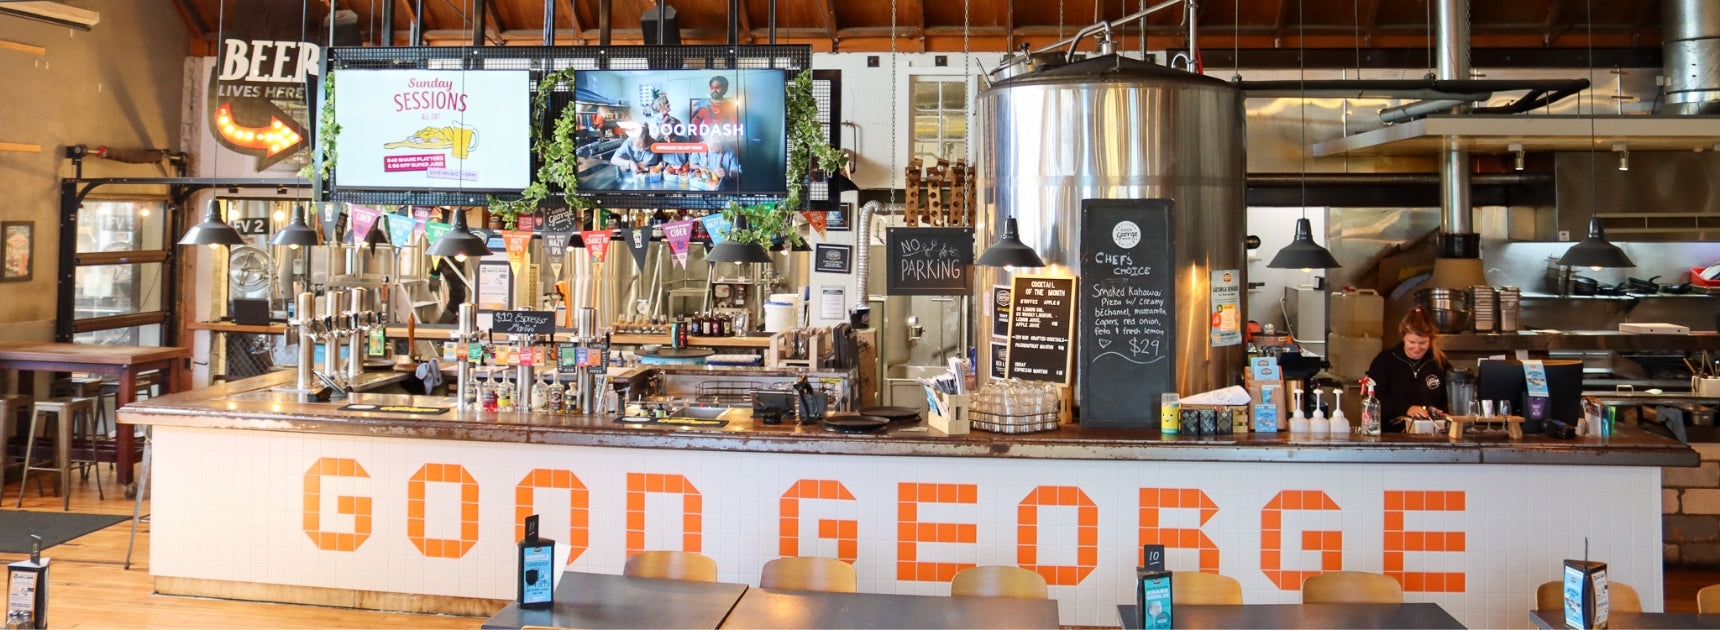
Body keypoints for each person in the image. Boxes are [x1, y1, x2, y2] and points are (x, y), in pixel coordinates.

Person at [1364, 307, 1449, 431]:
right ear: (1403, 336)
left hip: (1431, 433)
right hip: (1391, 435)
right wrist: (1406, 409)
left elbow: (1448, 399)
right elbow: (1374, 400)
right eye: (1412, 342)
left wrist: (1441, 412)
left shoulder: (1439, 363)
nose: (1417, 348)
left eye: (1422, 343)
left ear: (1430, 340)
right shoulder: (1385, 360)